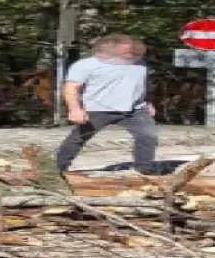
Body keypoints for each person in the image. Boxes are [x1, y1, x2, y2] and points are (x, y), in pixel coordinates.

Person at [55, 34, 159, 174]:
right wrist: (75, 109)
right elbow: (71, 88)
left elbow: (140, 85)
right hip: (98, 108)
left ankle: (143, 170)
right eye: (126, 49)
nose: (131, 51)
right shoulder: (85, 65)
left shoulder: (140, 64)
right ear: (111, 48)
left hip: (134, 110)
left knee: (148, 136)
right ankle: (57, 170)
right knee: (78, 138)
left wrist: (148, 102)